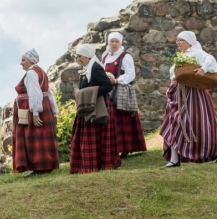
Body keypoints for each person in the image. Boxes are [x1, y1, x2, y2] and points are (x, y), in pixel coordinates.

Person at [160, 31, 217, 167]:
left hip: (194, 94)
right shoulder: (182, 56)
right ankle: (174, 158)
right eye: (177, 40)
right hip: (178, 92)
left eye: (181, 40)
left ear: (190, 41)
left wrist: (203, 69)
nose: (178, 43)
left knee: (202, 123)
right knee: (174, 121)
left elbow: (211, 61)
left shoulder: (197, 53)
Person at [69, 44, 121, 173]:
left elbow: (108, 86)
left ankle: (99, 164)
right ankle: (88, 164)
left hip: (97, 105)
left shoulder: (96, 68)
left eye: (80, 56)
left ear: (87, 56)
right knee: (89, 136)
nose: (78, 59)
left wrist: (91, 94)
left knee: (98, 135)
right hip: (89, 105)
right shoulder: (87, 68)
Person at [12, 49, 60, 175]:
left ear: (31, 60)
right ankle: (45, 165)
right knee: (42, 136)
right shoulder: (42, 72)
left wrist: (35, 113)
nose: (21, 63)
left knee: (34, 137)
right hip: (45, 106)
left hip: (34, 108)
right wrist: (54, 111)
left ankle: (39, 167)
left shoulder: (32, 73)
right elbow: (49, 93)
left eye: (23, 60)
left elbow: (34, 93)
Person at [101, 32, 147, 159]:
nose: (114, 44)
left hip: (120, 91)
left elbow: (130, 74)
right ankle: (114, 147)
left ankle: (125, 148)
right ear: (108, 42)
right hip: (108, 91)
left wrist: (116, 80)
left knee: (122, 118)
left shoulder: (125, 57)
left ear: (120, 43)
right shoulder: (105, 56)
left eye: (117, 42)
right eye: (112, 41)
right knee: (112, 120)